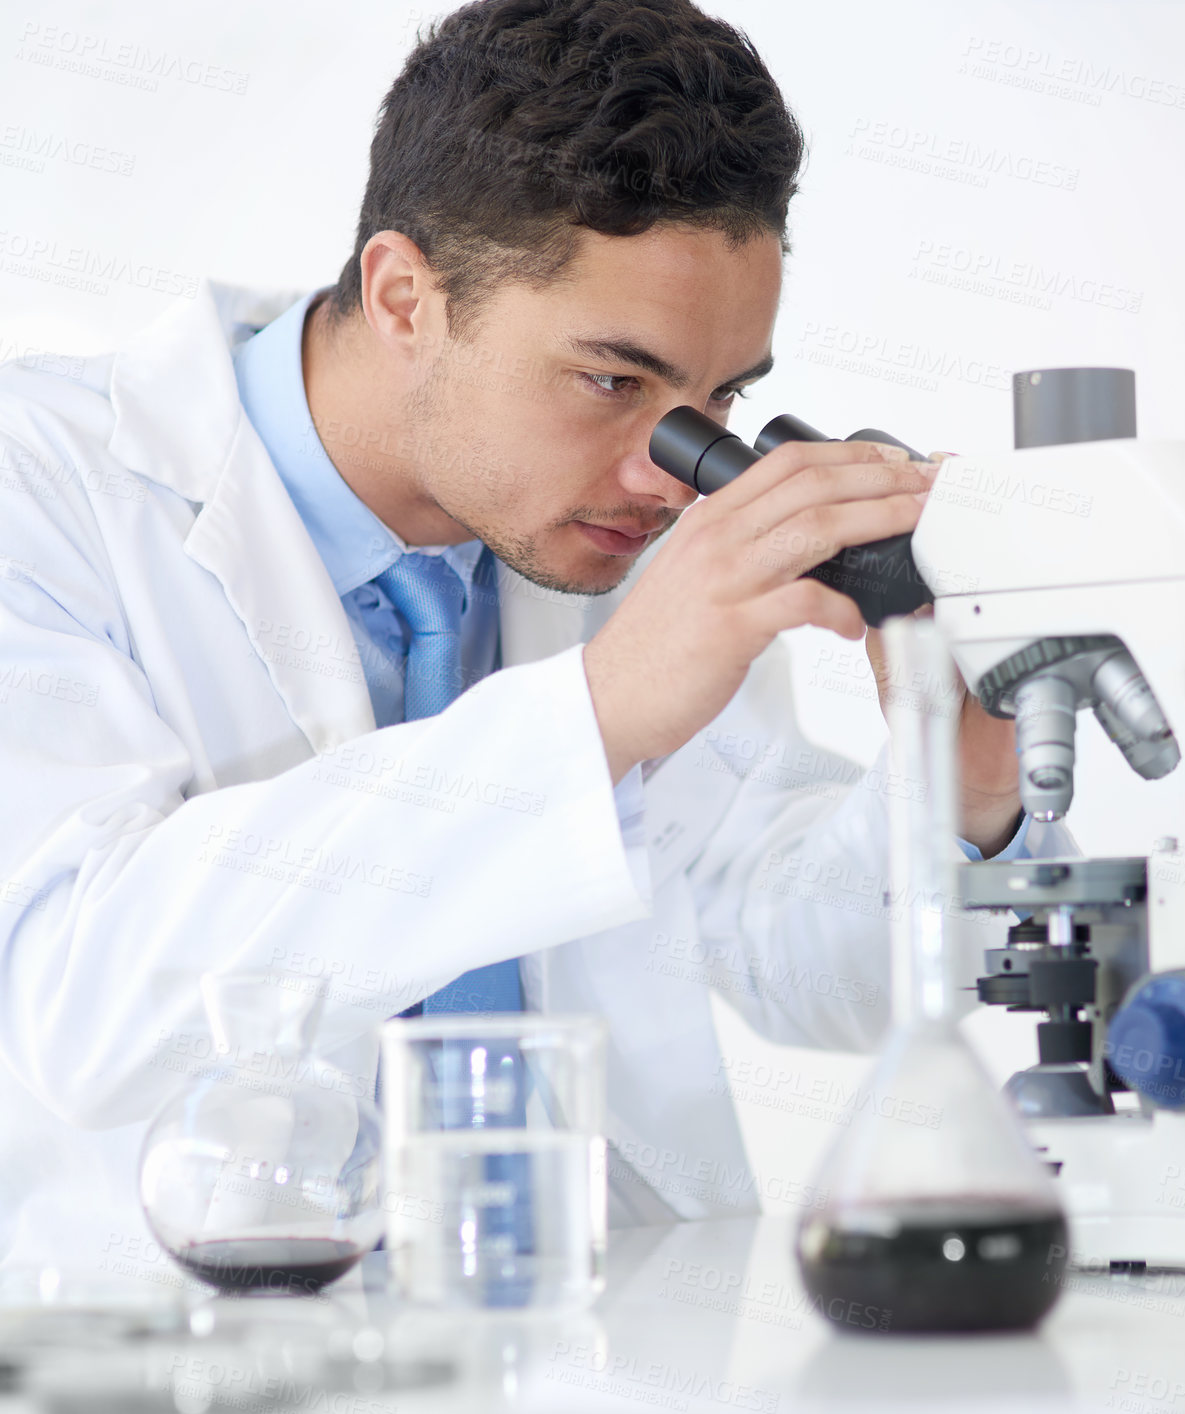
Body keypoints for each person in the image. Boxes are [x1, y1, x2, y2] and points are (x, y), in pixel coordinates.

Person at [0, 0, 1073, 1268]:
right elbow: (79, 1002)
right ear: (407, 296)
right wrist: (602, 707)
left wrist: (959, 777)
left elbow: (795, 953)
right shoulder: (45, 488)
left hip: (593, 1337)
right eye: (614, 382)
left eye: (720, 395)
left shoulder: (619, 530)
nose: (672, 472)